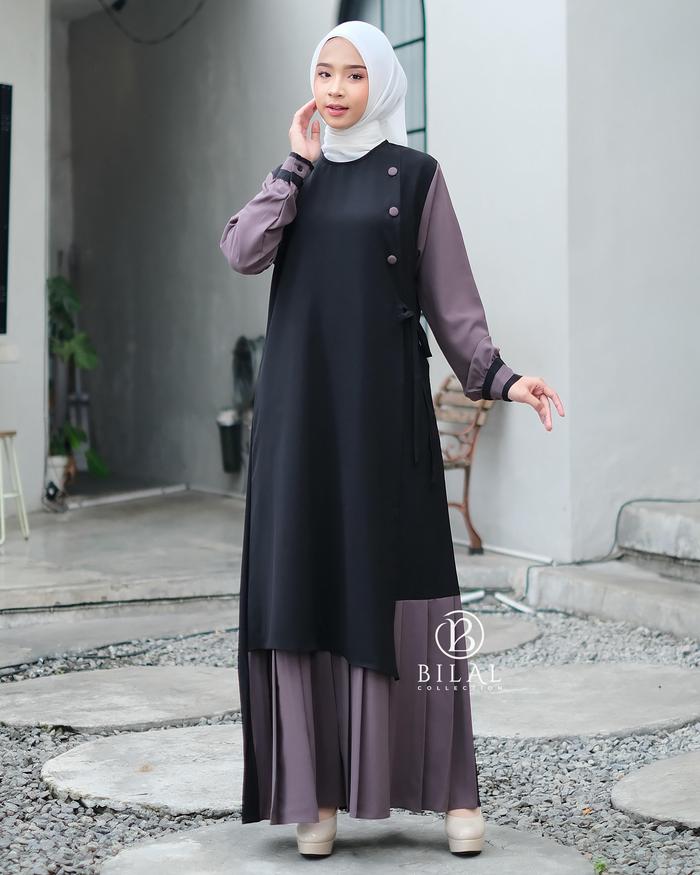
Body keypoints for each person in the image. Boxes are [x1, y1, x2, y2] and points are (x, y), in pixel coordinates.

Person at [219, 20, 564, 858]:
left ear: (381, 84)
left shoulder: (415, 177)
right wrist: (293, 166)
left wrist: (501, 376)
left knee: (410, 586)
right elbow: (240, 251)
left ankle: (452, 791)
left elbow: (452, 298)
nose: (336, 89)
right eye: (324, 74)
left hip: (384, 421)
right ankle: (316, 795)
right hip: (301, 421)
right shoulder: (294, 181)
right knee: (306, 582)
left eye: (353, 75)